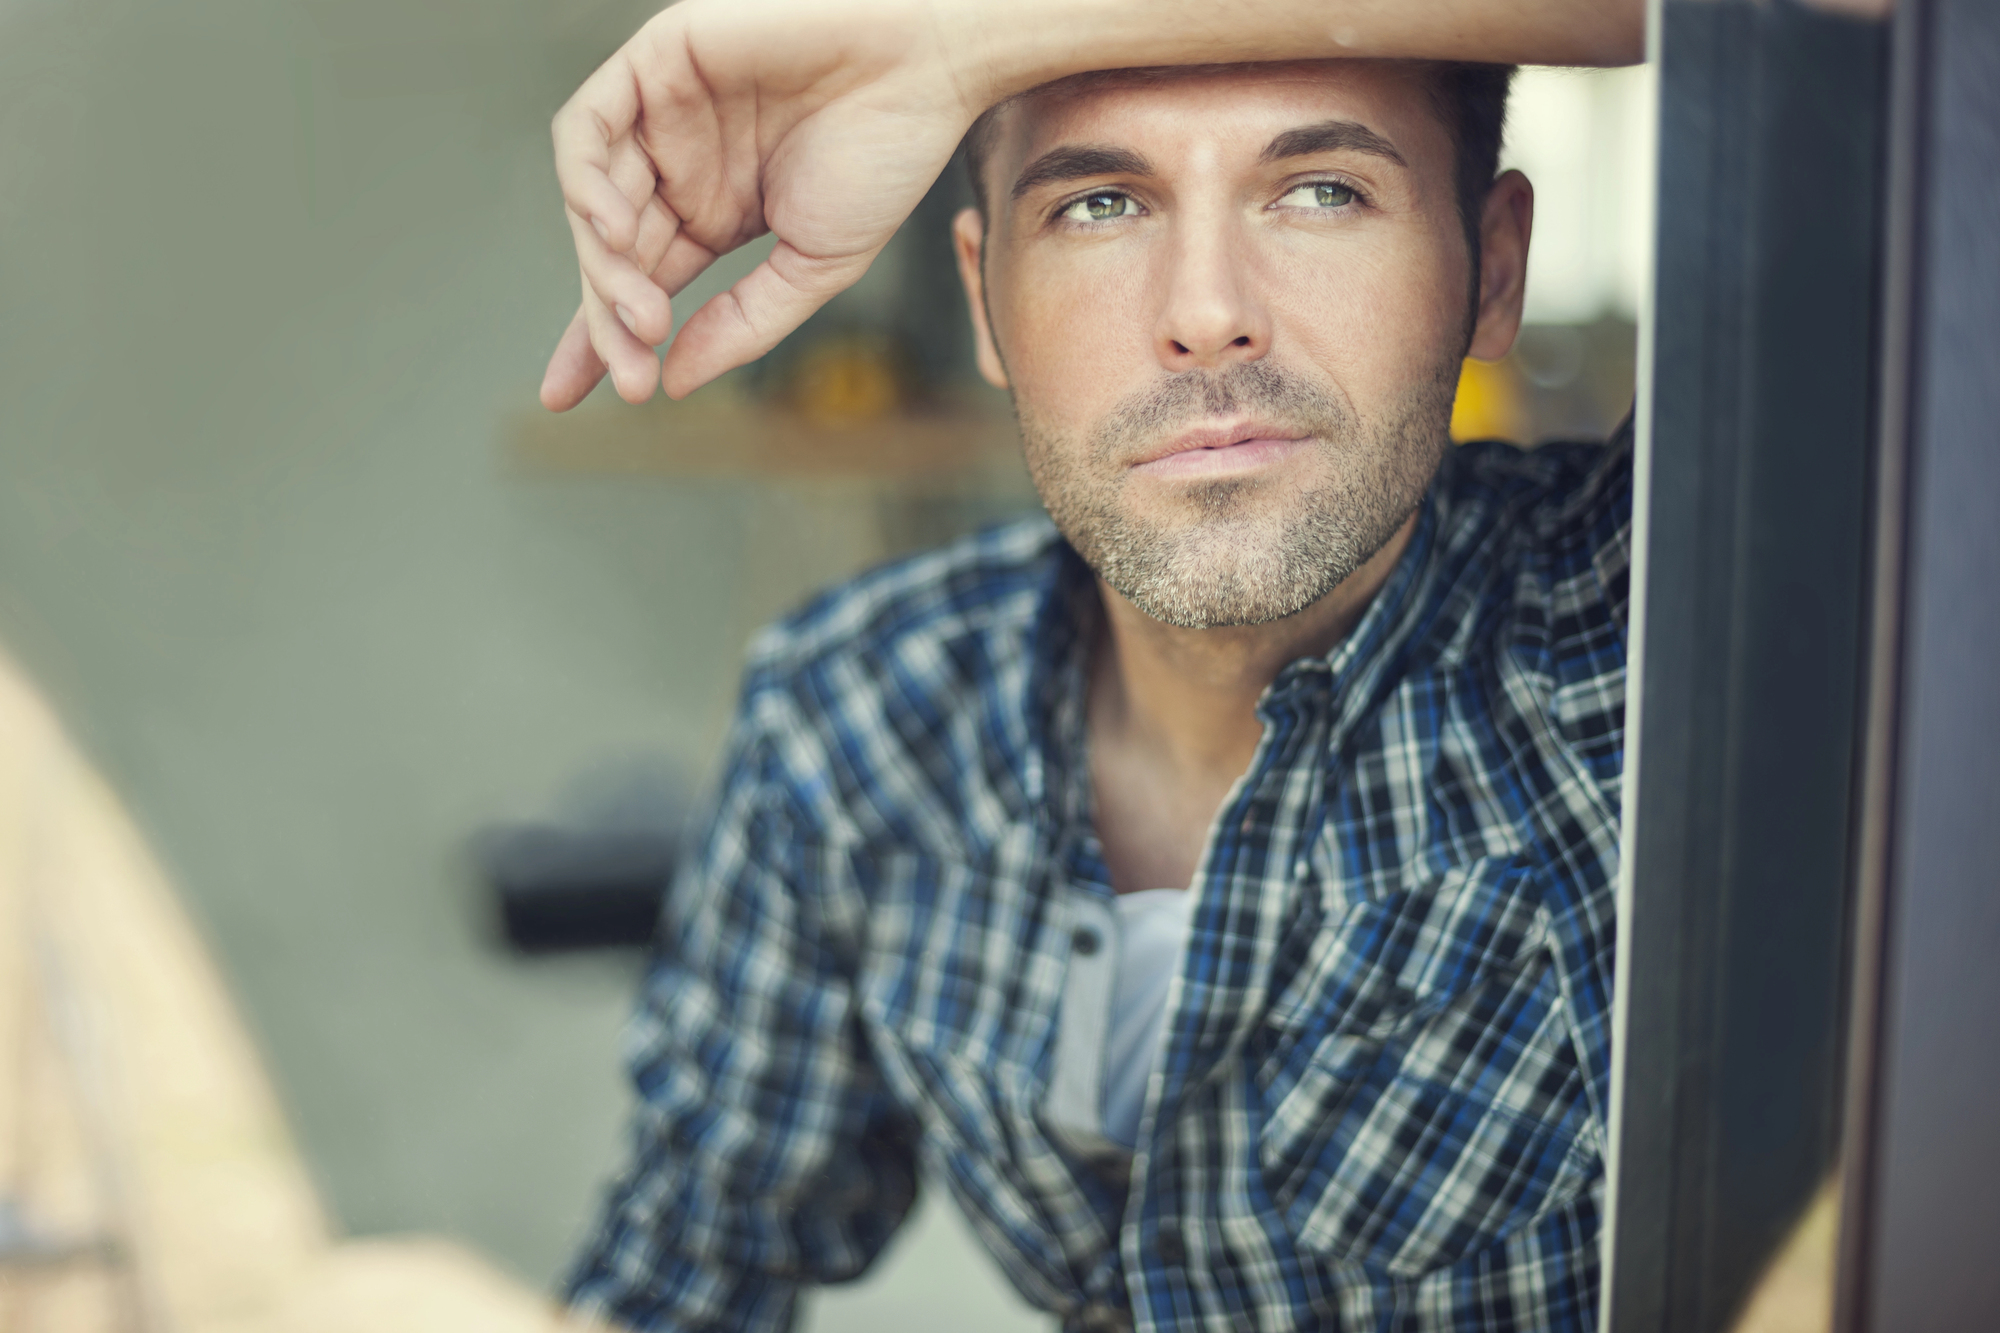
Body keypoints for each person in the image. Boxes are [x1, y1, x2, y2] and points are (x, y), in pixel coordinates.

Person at [549, 3, 1643, 1331]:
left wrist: (955, 42)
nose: (1205, 315)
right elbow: (684, 1279)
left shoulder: (1629, 629)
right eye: (1098, 206)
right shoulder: (856, 723)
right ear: (985, 300)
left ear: (1492, 268)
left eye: (1319, 189)